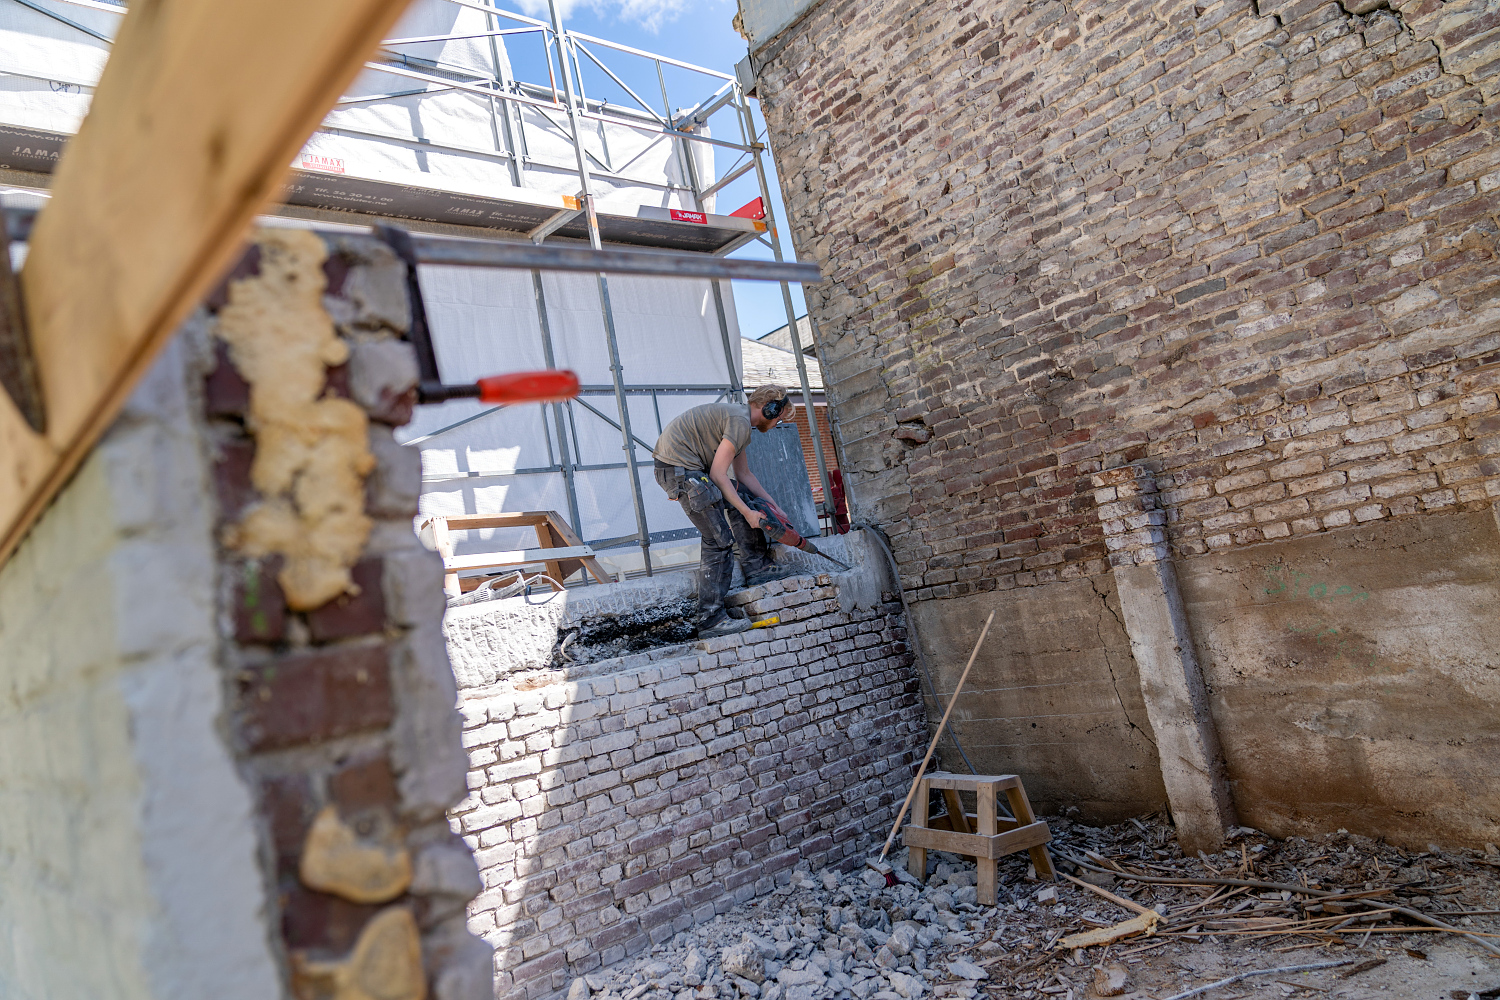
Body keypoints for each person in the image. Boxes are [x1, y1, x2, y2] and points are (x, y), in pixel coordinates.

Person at [653, 385, 799, 637]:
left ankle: (757, 567)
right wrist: (748, 514)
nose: (778, 423)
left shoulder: (740, 422)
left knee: (743, 497)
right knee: (718, 540)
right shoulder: (739, 421)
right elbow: (718, 475)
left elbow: (744, 476)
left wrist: (774, 506)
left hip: (686, 470)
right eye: (780, 417)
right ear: (770, 408)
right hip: (680, 471)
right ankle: (710, 619)